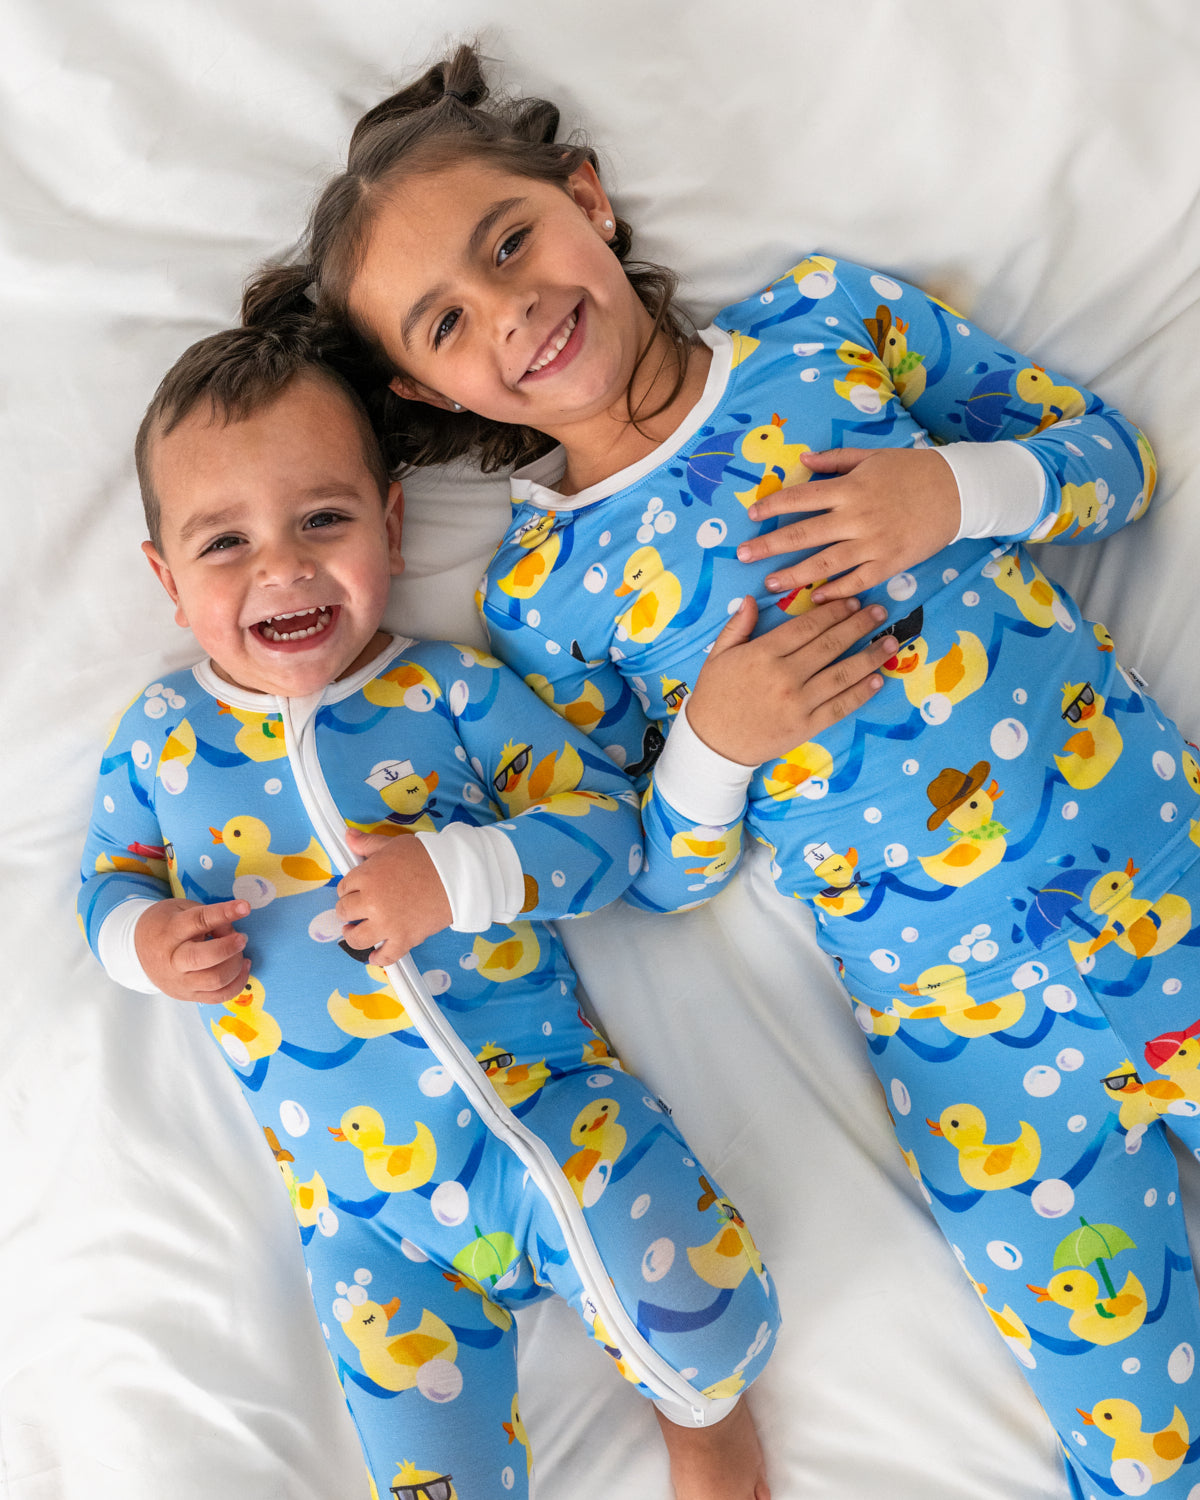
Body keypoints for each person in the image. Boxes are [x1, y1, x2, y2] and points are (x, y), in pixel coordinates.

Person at [268, 43, 1200, 1499]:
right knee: (1144, 1459)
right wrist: (714, 741)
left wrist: (950, 491)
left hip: (1168, 885)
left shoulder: (827, 327)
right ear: (418, 382)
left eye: (511, 243)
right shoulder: (544, 595)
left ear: (589, 200)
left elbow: (1116, 462)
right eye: (449, 320)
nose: (512, 311)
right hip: (977, 1063)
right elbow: (652, 870)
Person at [76, 319, 893, 1500]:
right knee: (427, 1471)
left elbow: (607, 832)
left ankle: (706, 1424)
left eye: (324, 520)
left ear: (392, 525)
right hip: (366, 1213)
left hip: (553, 1116)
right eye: (226, 542)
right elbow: (106, 882)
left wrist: (455, 875)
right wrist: (144, 944)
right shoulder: (162, 736)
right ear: (166, 580)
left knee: (693, 1308)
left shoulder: (449, 692)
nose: (284, 570)